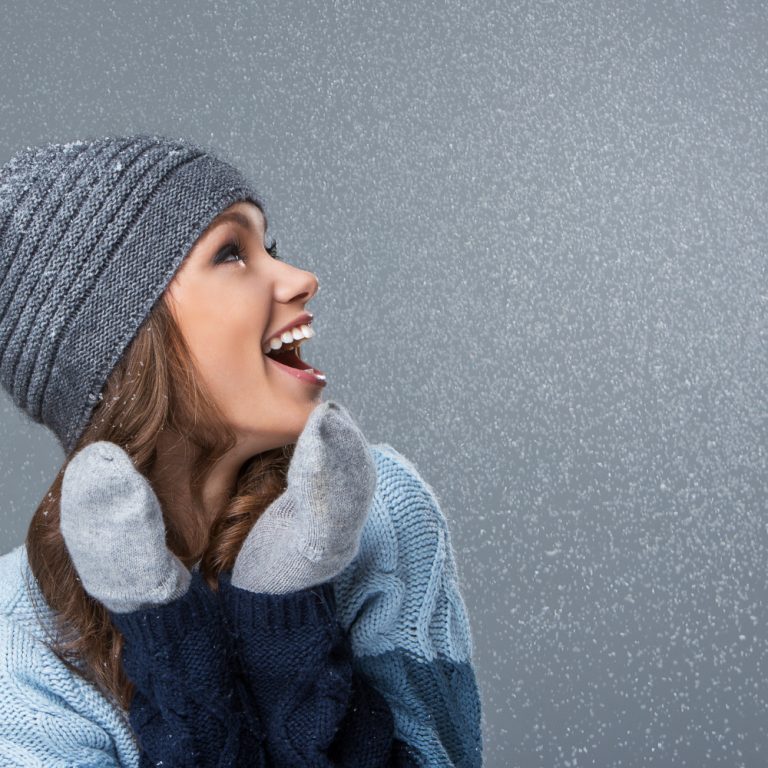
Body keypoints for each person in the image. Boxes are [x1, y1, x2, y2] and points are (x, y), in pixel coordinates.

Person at [0, 135, 482, 766]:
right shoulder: (19, 634)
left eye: (269, 246)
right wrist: (184, 671)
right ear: (123, 345)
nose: (302, 278)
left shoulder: (378, 511)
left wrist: (286, 639)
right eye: (231, 252)